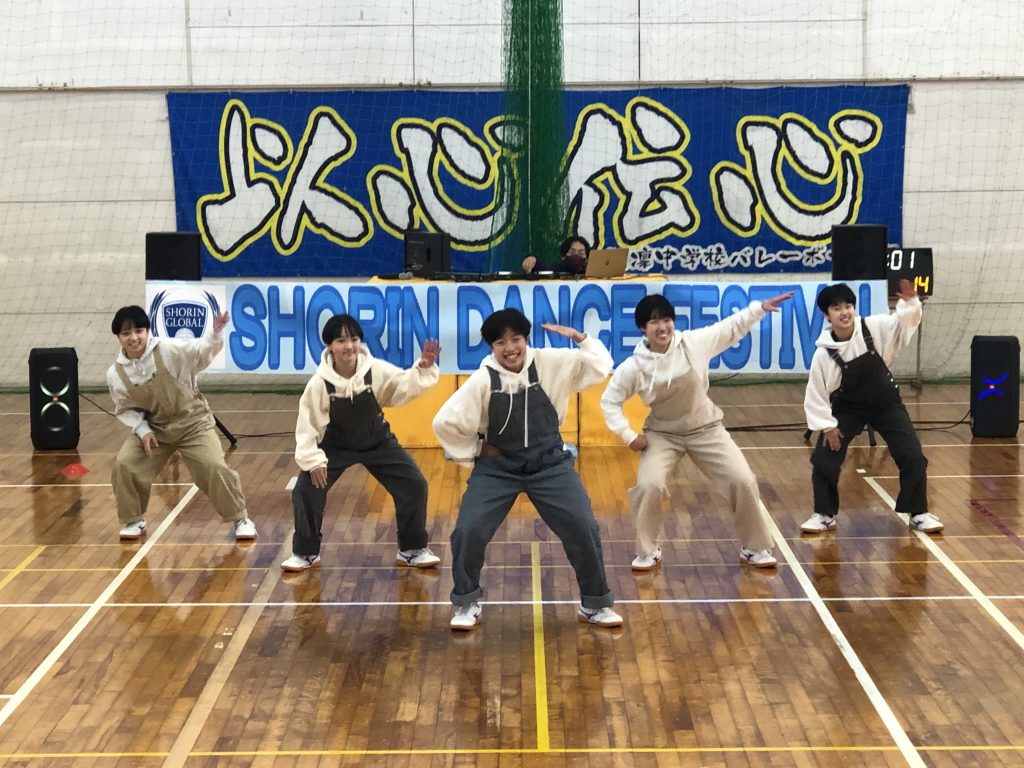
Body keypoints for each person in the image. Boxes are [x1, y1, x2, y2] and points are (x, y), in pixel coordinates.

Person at [432, 308, 621, 630]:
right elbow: (444, 422)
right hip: (498, 469)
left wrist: (582, 339)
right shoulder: (483, 379)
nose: (510, 348)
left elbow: (601, 366)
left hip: (549, 463)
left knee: (583, 526)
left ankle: (595, 603)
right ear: (491, 347)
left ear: (526, 339)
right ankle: (466, 601)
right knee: (468, 530)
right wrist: (475, 449)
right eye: (500, 342)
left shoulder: (552, 361)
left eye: (516, 339)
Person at [600, 291, 794, 570]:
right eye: (654, 322)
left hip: (706, 428)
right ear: (643, 328)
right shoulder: (634, 367)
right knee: (649, 485)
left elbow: (730, 328)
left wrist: (759, 309)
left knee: (742, 480)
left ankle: (754, 547)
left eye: (666, 320)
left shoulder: (694, 343)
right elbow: (609, 401)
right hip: (662, 434)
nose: (662, 327)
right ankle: (647, 550)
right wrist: (628, 435)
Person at [282, 314, 443, 572]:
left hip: (377, 442)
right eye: (341, 341)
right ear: (329, 346)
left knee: (415, 484)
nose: (349, 346)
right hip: (334, 446)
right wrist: (313, 461)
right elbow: (307, 425)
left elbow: (402, 386)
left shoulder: (375, 369)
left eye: (354, 339)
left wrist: (422, 368)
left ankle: (412, 549)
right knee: (305, 490)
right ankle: (306, 552)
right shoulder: (319, 383)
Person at [802, 279, 943, 534]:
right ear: (827, 315)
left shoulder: (873, 327)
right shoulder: (823, 354)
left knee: (912, 454)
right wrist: (827, 426)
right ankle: (824, 514)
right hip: (847, 408)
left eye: (848, 306)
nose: (844, 312)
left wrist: (910, 303)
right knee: (824, 457)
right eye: (836, 308)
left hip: (885, 403)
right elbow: (816, 394)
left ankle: (918, 513)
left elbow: (904, 322)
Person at [107, 305, 257, 541]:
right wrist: (143, 430)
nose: (133, 338)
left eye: (138, 331)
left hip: (193, 423)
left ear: (147, 331)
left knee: (213, 466)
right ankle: (133, 520)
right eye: (126, 333)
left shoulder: (168, 350)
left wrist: (215, 333)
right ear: (118, 337)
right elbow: (125, 409)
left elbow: (200, 353)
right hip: (155, 429)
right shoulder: (115, 374)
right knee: (125, 463)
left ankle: (240, 518)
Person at [521, 236, 590, 275]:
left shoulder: (591, 276)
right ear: (563, 256)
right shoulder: (555, 271)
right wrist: (532, 259)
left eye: (581, 253)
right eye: (572, 252)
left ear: (587, 258)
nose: (576, 256)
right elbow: (541, 267)